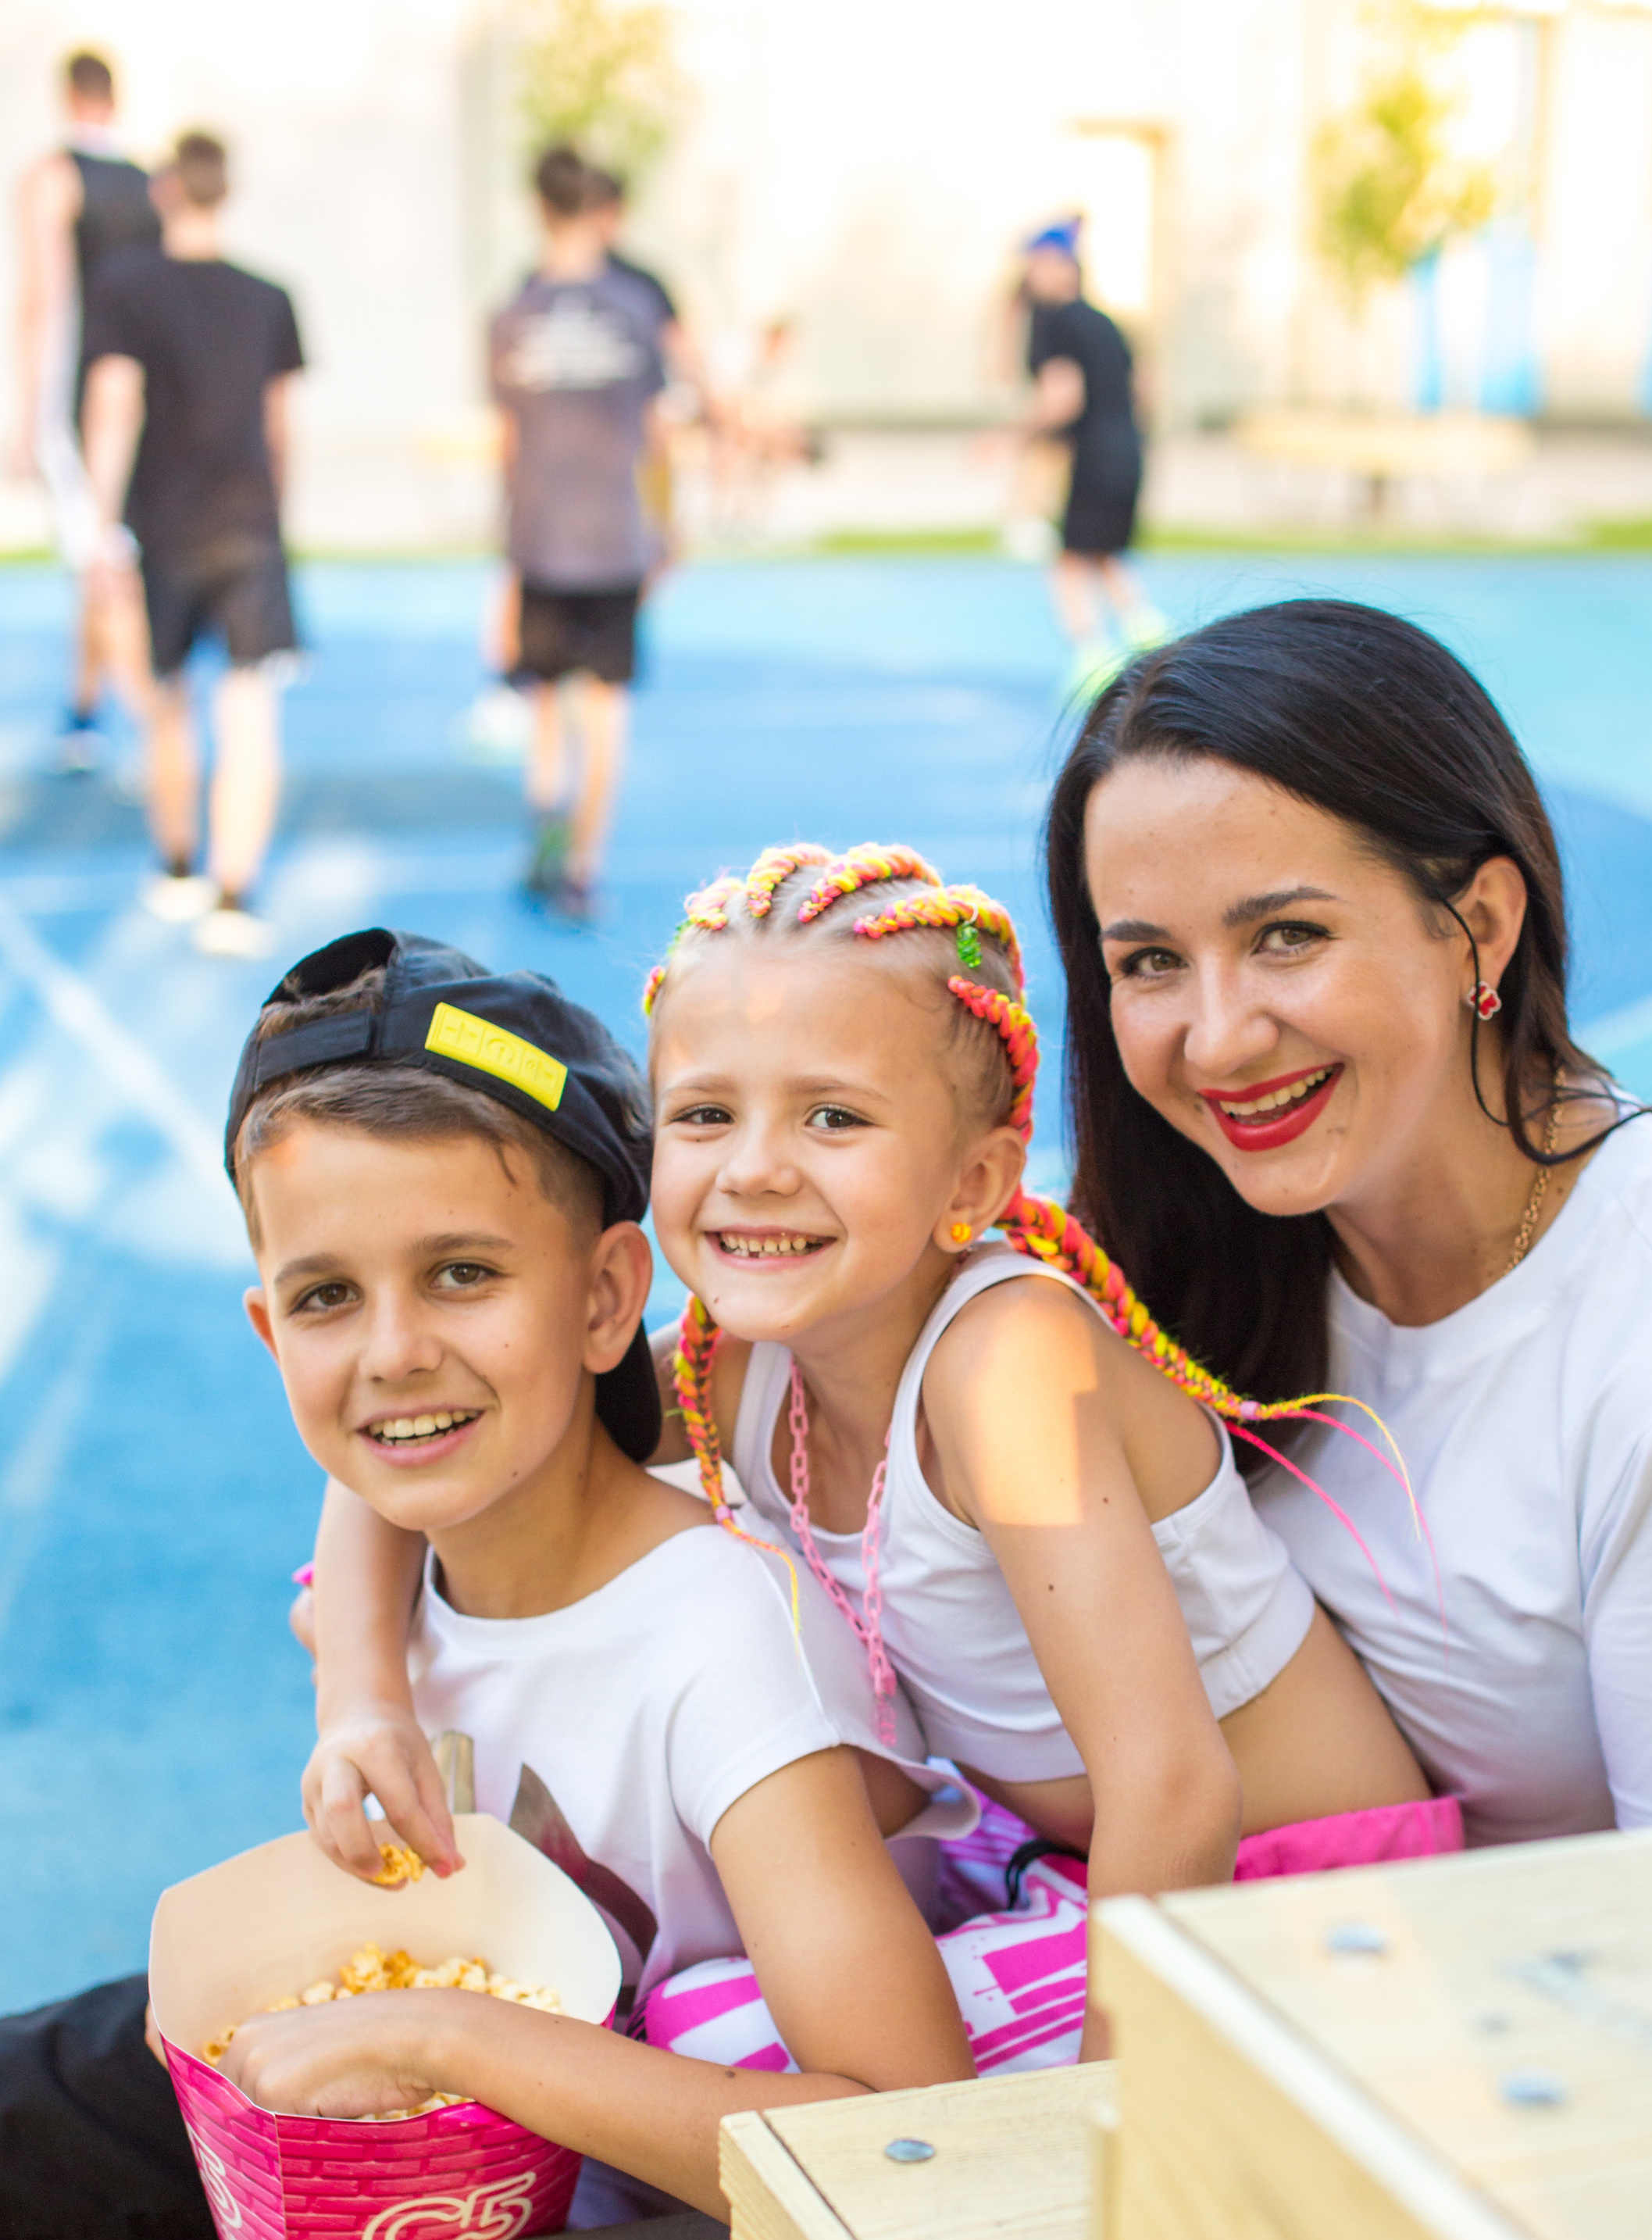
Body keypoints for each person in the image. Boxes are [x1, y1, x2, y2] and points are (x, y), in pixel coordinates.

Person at [6, 927, 972, 2240]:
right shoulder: (429, 1528)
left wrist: (458, 2036)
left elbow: (902, 2134)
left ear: (609, 1294)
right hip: (398, 2167)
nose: (392, 1350)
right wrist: (358, 1688)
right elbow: (379, 1473)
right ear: (269, 1329)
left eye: (462, 1274)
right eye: (328, 1296)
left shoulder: (715, 1650)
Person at [305, 844, 1455, 2066]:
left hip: (1303, 1903)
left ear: (974, 1179)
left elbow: (1174, 1787)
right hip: (1060, 1858)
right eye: (705, 1113)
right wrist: (361, 1695)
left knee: (716, 2038)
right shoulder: (739, 1361)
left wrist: (1109, 2123)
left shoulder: (1004, 1368)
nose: (754, 1168)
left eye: (834, 1117)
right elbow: (446, 1420)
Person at [1044, 598, 1652, 1845]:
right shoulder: (1185, 1234)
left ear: (1481, 927)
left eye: (1287, 936)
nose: (1218, 1038)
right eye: (1150, 962)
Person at [80, 129, 304, 959]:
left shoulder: (123, 287)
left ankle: (177, 864)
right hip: (248, 526)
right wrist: (280, 516)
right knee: (249, 710)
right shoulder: (268, 296)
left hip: (165, 528)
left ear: (166, 189)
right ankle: (233, 890)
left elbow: (113, 403)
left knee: (167, 701)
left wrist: (100, 525)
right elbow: (281, 428)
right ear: (225, 190)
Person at [489, 146, 676, 926]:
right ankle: (583, 870)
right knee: (606, 713)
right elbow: (659, 434)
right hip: (612, 538)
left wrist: (505, 551)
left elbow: (506, 442)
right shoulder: (637, 307)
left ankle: (546, 826)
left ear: (538, 209)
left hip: (541, 537)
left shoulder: (513, 314)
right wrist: (668, 525)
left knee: (543, 706)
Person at [9, 47, 159, 773]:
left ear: (67, 98)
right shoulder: (151, 184)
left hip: (79, 391)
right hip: (142, 384)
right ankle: (85, 709)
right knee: (101, 551)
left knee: (99, 558)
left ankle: (153, 720)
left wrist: (22, 413)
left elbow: (40, 301)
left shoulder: (52, 179)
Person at [1015, 220, 1165, 696]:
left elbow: (1063, 397)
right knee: (1100, 551)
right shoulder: (1108, 324)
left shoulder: (1051, 321)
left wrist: (1011, 438)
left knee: (1066, 559)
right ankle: (1144, 624)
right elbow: (1144, 389)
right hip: (1129, 448)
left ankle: (1091, 655)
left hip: (1092, 455)